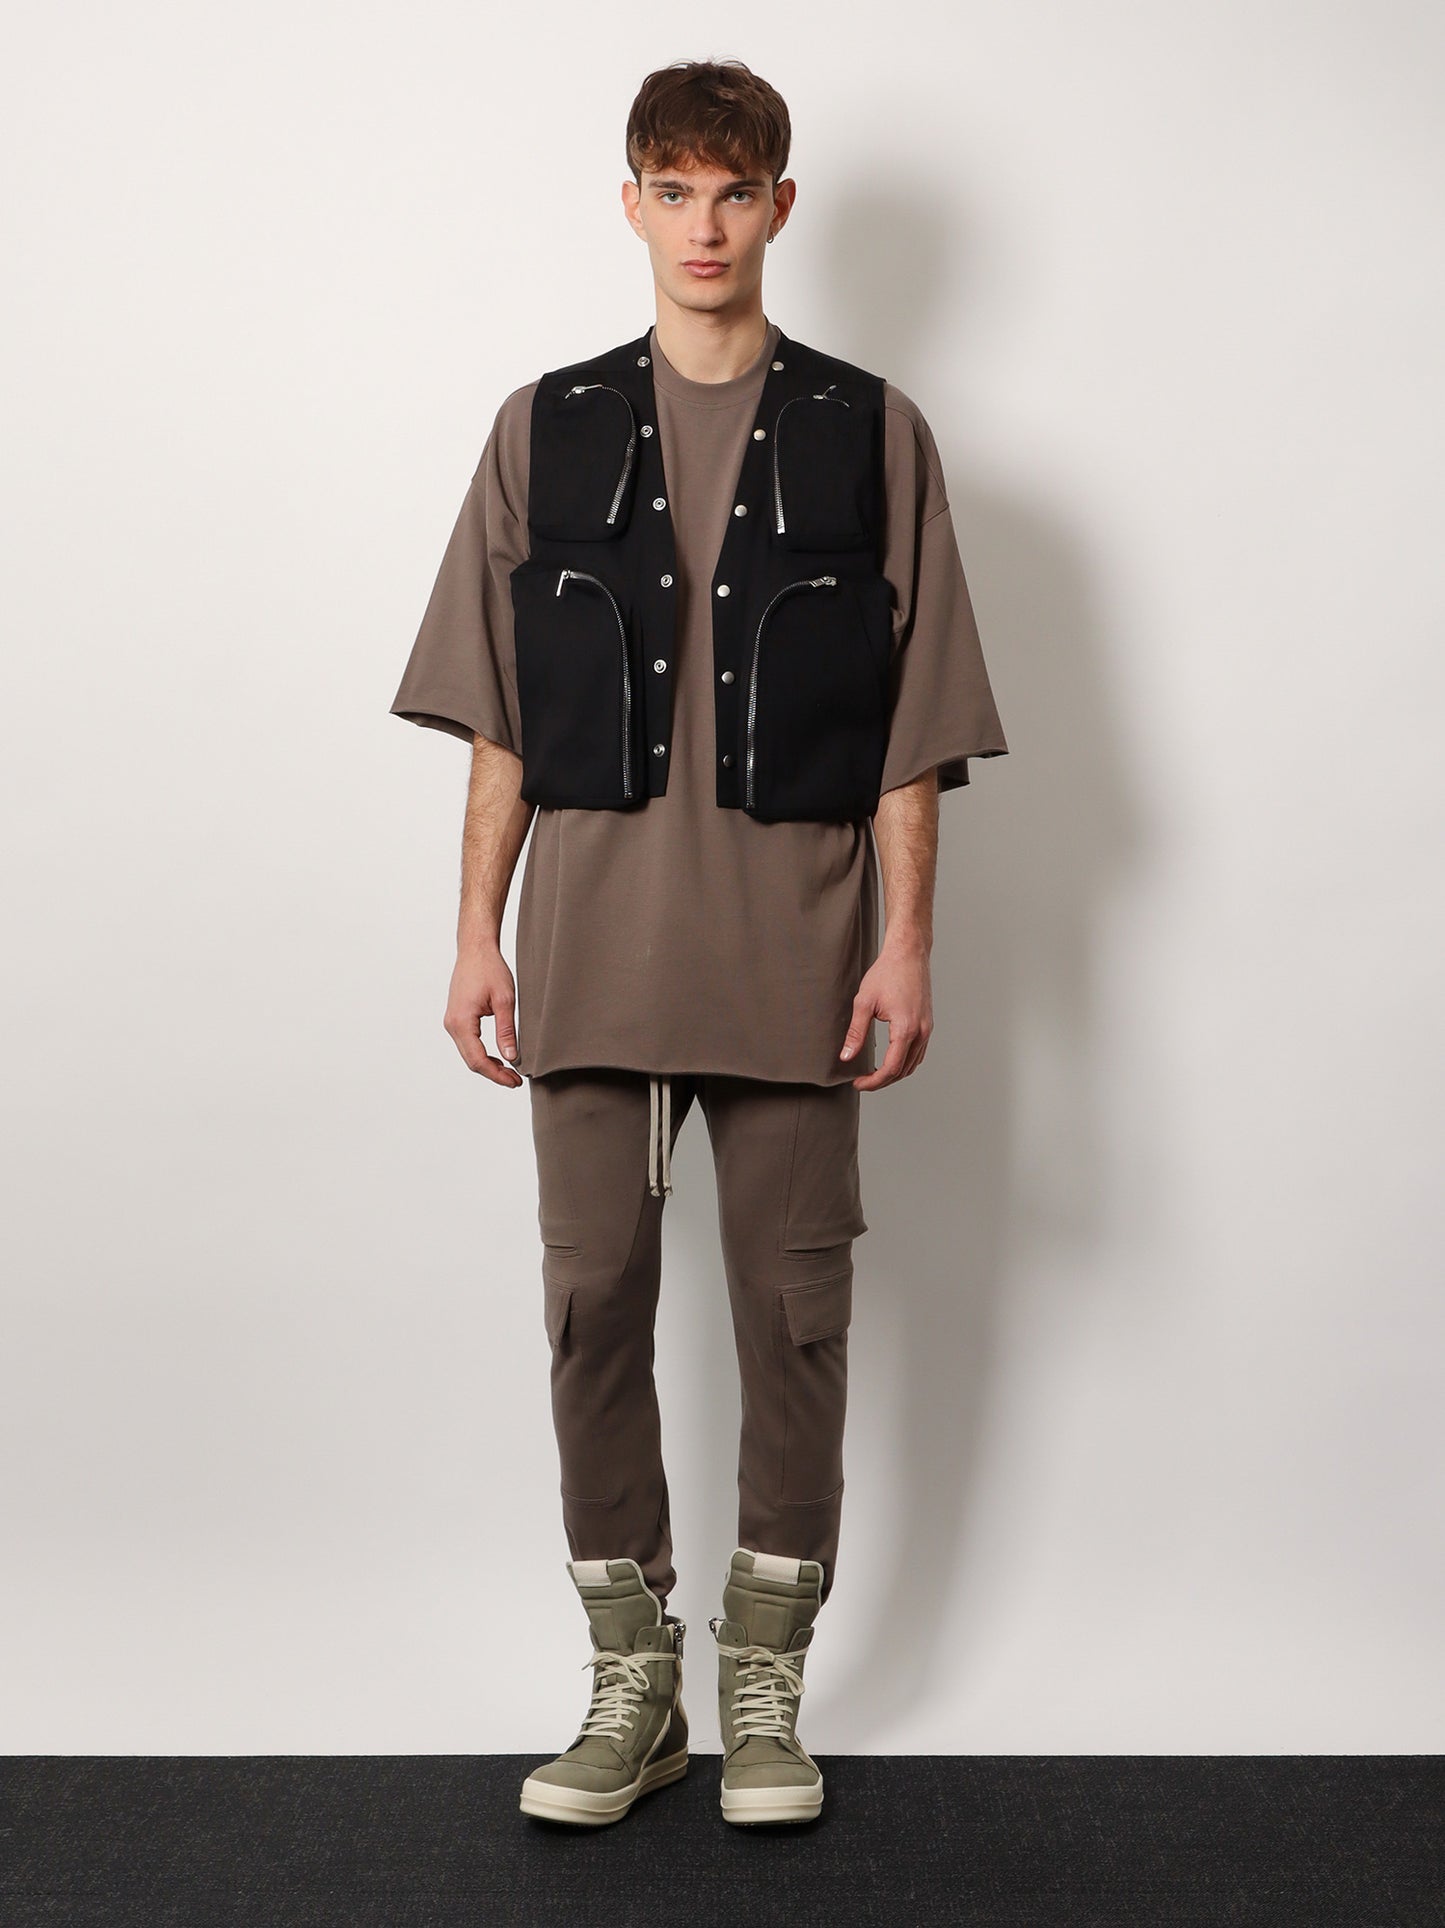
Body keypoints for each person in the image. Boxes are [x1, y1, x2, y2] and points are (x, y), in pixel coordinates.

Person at [389, 58, 1008, 1829]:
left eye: (734, 190)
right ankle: (630, 1682)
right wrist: (474, 936)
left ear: (779, 207)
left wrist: (905, 944)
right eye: (672, 189)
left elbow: (910, 735)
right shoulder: (545, 426)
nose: (705, 224)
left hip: (798, 964)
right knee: (589, 1302)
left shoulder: (873, 433)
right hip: (589, 955)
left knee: (793, 1322)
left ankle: (765, 1687)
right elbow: (502, 723)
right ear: (632, 206)